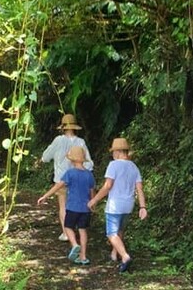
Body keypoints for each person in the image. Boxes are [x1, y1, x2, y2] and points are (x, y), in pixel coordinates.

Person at [88, 137, 147, 273]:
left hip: (115, 205)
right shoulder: (134, 167)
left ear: (119, 151)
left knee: (111, 233)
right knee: (120, 230)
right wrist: (143, 207)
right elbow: (139, 189)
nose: (112, 154)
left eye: (114, 151)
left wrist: (94, 199)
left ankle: (125, 256)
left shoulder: (113, 165)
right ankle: (115, 254)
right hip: (128, 205)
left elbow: (108, 186)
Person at [37, 145, 95, 265]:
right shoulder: (89, 174)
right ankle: (83, 257)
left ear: (72, 160)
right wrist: (92, 203)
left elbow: (58, 185)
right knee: (83, 230)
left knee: (68, 227)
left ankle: (74, 245)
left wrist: (45, 196)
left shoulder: (70, 173)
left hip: (72, 207)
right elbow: (92, 191)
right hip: (85, 208)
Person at [40, 113, 93, 240]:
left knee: (63, 206)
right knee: (76, 203)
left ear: (63, 127)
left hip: (61, 179)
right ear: (75, 127)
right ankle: (78, 230)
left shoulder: (58, 140)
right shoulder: (81, 142)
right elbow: (89, 163)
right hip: (78, 179)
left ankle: (66, 233)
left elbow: (45, 157)